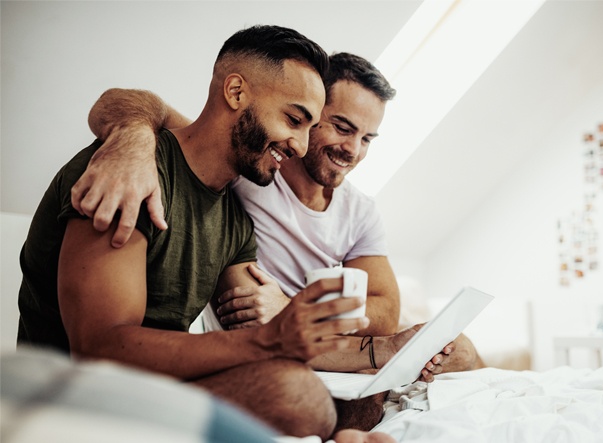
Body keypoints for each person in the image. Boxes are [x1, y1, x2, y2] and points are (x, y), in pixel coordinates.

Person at [16, 25, 394, 442]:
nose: (301, 146)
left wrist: (384, 352)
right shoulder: (129, 171)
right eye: (294, 119)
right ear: (235, 92)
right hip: (73, 398)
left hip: (158, 391)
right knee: (295, 394)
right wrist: (268, 343)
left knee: (362, 399)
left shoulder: (234, 216)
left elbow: (266, 328)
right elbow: (98, 349)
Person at [70, 52, 485, 431]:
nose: (352, 150)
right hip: (259, 344)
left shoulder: (355, 209)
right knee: (320, 394)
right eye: (341, 127)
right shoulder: (251, 168)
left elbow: (385, 309)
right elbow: (148, 110)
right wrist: (132, 139)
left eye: (367, 139)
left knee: (459, 351)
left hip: (306, 334)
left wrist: (299, 313)